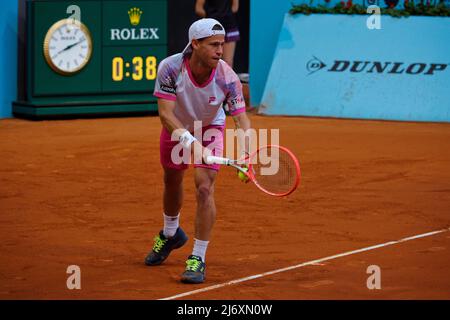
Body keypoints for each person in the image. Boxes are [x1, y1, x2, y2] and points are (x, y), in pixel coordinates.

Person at [144, 18, 251, 284]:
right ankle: (171, 234)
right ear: (195, 44)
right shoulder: (170, 68)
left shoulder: (228, 78)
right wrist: (193, 144)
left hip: (210, 127)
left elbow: (241, 120)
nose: (220, 50)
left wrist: (248, 153)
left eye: (222, 44)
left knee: (204, 187)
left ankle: (197, 257)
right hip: (177, 126)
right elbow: (165, 116)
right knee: (171, 179)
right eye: (213, 45)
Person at [195, 0, 240, 69]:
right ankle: (211, 79)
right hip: (212, 28)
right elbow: (198, 8)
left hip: (229, 26)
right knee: (211, 60)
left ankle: (227, 79)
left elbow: (235, 7)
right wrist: (211, 18)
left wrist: (225, 15)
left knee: (228, 62)